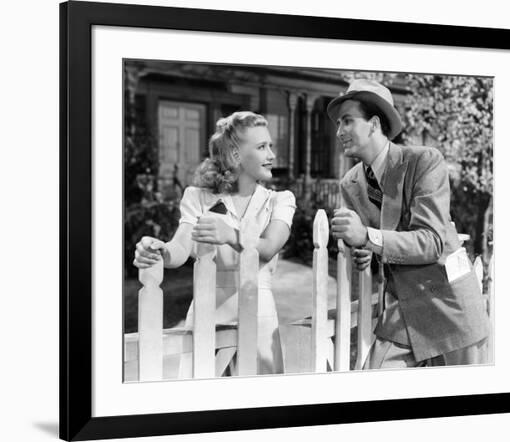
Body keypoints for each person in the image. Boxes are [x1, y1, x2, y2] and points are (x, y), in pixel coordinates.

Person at [328, 79, 490, 368]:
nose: (339, 131)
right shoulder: (350, 182)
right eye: (339, 123)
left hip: (450, 307)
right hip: (401, 309)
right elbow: (373, 241)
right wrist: (363, 249)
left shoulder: (424, 161)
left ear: (374, 124)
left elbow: (431, 242)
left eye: (348, 121)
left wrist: (367, 236)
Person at [133, 111, 296, 375]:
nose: (272, 155)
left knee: (257, 404)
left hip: (259, 315)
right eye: (262, 147)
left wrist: (232, 234)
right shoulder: (197, 197)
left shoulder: (279, 200)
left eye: (270, 146)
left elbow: (270, 247)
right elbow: (180, 248)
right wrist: (159, 251)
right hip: (208, 313)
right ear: (235, 155)